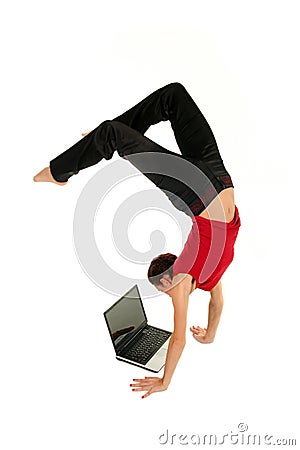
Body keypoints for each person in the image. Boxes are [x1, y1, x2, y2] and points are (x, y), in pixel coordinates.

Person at [33, 82, 241, 398]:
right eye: (164, 289)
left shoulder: (213, 274)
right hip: (199, 191)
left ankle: (104, 142)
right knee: (112, 133)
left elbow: (218, 302)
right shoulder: (180, 280)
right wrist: (164, 381)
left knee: (172, 96)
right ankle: (59, 172)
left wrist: (212, 334)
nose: (167, 293)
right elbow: (179, 338)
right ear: (165, 281)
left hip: (220, 183)